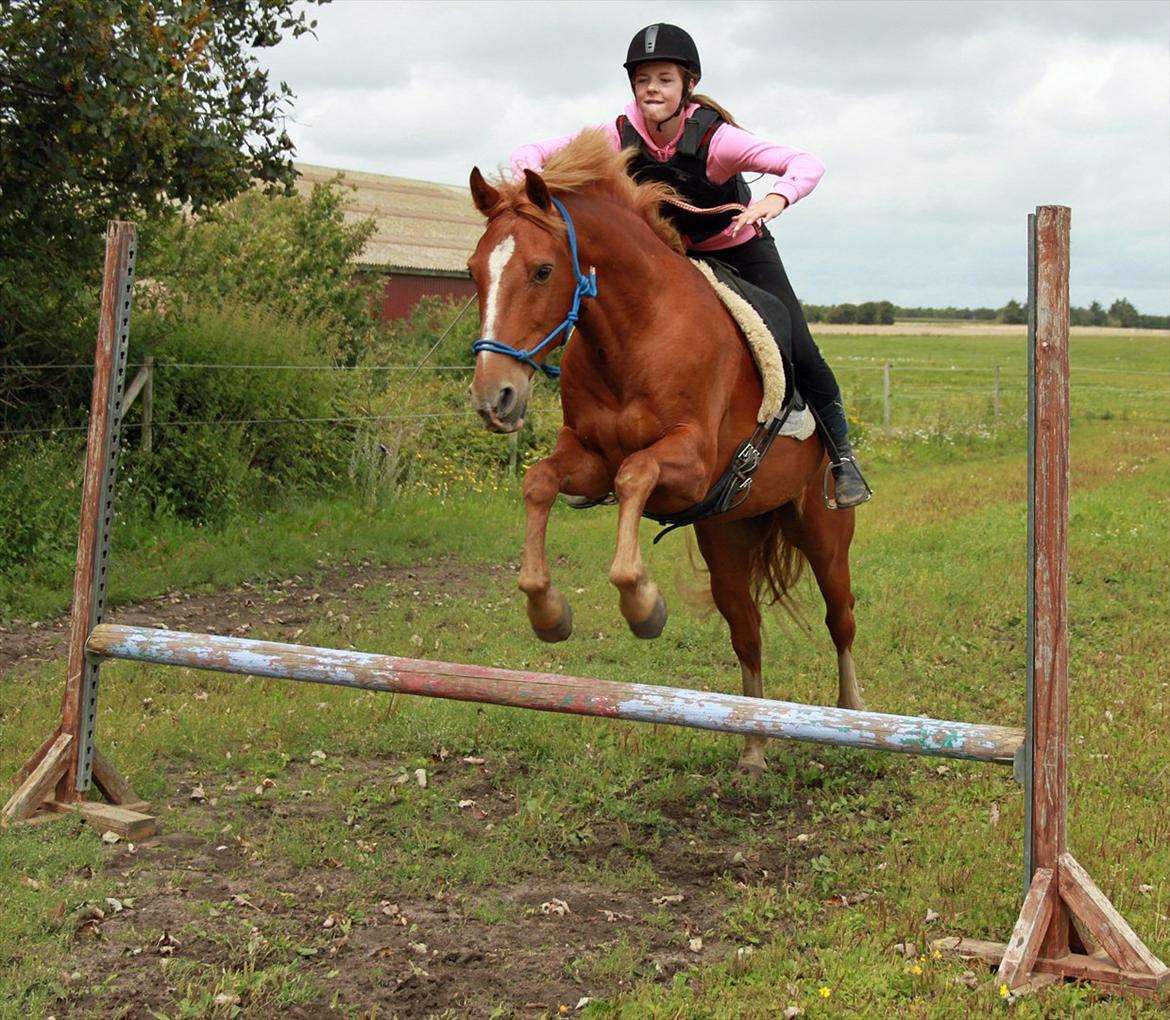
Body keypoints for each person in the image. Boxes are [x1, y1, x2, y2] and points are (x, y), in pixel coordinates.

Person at [510, 23, 871, 509]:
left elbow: (807, 163)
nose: (650, 89)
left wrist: (775, 199)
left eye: (663, 79)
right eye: (642, 80)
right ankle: (604, 452)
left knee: (799, 343)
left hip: (739, 249)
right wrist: (532, 188)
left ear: (688, 85)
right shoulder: (615, 136)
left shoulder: (719, 141)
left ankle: (843, 458)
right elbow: (527, 153)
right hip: (676, 253)